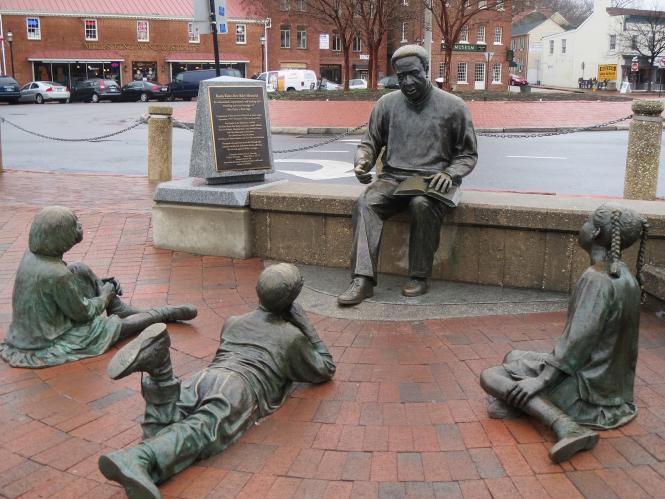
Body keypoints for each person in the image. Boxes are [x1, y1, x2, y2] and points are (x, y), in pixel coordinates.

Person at [98, 263, 336, 499]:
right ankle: (139, 458)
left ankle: (160, 375)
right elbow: (325, 368)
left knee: (177, 412)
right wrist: (305, 324)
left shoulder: (233, 321)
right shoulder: (291, 338)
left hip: (208, 375)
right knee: (203, 428)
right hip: (240, 387)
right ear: (291, 300)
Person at [480, 205, 648, 463]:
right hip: (609, 385)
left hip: (588, 391)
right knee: (512, 356)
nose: (583, 224)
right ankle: (524, 404)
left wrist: (542, 380)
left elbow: (578, 341)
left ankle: (566, 426)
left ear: (596, 232)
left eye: (587, 220)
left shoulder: (597, 278)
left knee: (490, 376)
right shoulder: (625, 276)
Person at [337, 44, 477, 306]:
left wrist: (450, 173)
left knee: (422, 205)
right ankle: (362, 279)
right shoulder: (386, 105)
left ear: (426, 70)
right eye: (401, 77)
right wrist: (362, 162)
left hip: (434, 180)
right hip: (393, 179)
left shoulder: (454, 106)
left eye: (413, 74)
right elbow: (369, 142)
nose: (408, 82)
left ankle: (419, 276)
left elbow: (468, 155)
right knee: (365, 203)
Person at [0, 206, 197, 368]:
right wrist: (106, 294)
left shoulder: (33, 255)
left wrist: (102, 286)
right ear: (60, 236)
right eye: (74, 225)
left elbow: (63, 283)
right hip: (46, 341)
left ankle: (119, 308)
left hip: (32, 328)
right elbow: (85, 313)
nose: (79, 227)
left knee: (79, 268)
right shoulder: (56, 274)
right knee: (108, 327)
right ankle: (161, 313)